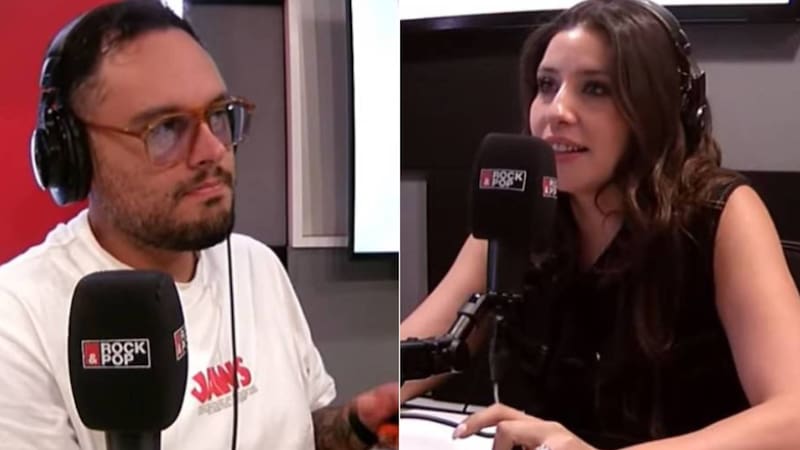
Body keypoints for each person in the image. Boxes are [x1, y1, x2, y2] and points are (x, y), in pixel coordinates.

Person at [401, 0, 800, 448]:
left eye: (595, 89)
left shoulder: (722, 213)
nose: (556, 110)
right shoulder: (519, 211)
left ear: (655, 108)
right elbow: (411, 358)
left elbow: (794, 414)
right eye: (547, 85)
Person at [0, 2, 397, 449]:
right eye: (166, 128)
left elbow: (302, 429)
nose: (212, 149)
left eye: (218, 115)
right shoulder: (16, 320)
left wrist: (354, 427)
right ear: (73, 154)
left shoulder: (256, 265)